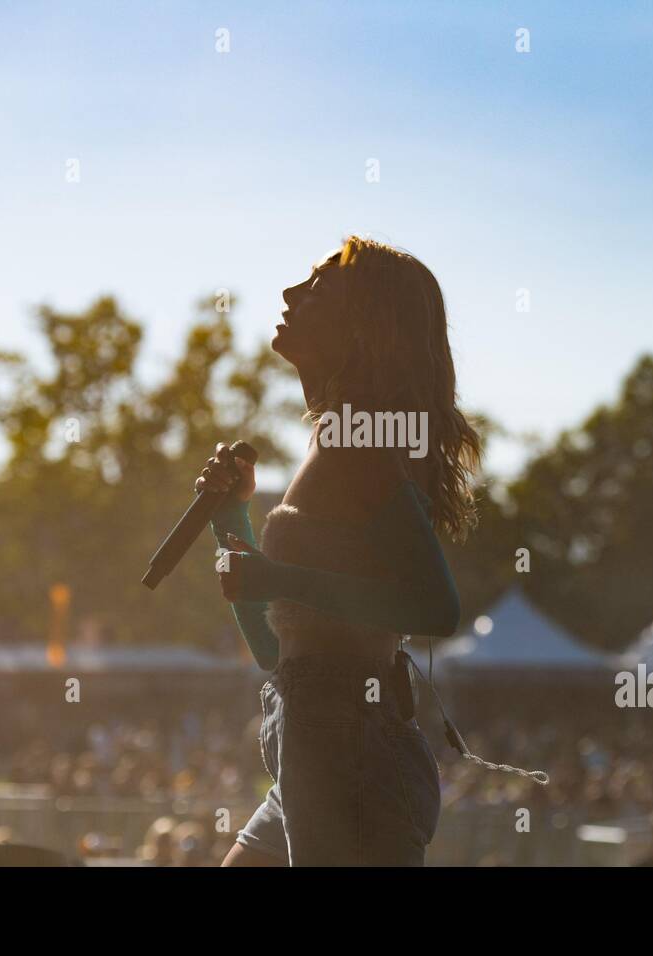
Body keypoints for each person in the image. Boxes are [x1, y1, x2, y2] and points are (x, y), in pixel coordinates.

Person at [205, 236, 480, 866]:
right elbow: (279, 650)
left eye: (318, 282)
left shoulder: (361, 443)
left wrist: (275, 574)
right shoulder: (337, 439)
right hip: (311, 739)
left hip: (351, 754)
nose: (290, 294)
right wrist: (231, 517)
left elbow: (434, 606)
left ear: (365, 322)